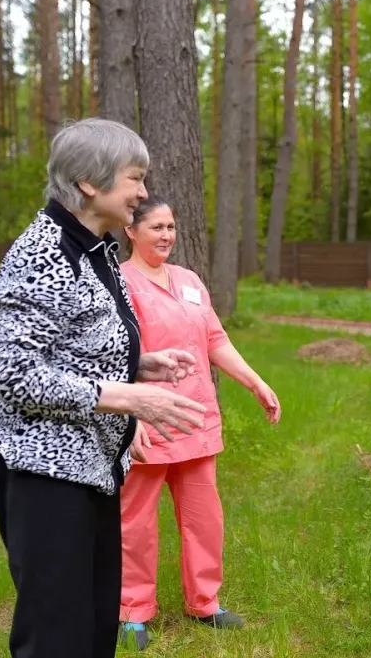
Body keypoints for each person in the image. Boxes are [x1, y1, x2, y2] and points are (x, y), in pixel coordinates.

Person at [0, 118, 209, 658]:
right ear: (89, 182)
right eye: (134, 177)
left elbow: (73, 349)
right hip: (46, 479)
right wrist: (128, 397)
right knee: (56, 637)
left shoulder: (95, 250)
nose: (142, 192)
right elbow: (15, 376)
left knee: (93, 630)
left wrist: (142, 364)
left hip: (96, 470)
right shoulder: (43, 255)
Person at [116, 197, 282, 650]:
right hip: (148, 420)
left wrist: (255, 383)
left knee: (204, 518)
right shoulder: (119, 282)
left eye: (170, 226)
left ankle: (204, 603)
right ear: (131, 231)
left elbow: (215, 339)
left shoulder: (189, 280)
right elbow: (113, 355)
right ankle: (132, 611)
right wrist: (130, 417)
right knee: (136, 522)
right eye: (156, 227)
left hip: (197, 420)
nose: (166, 235)